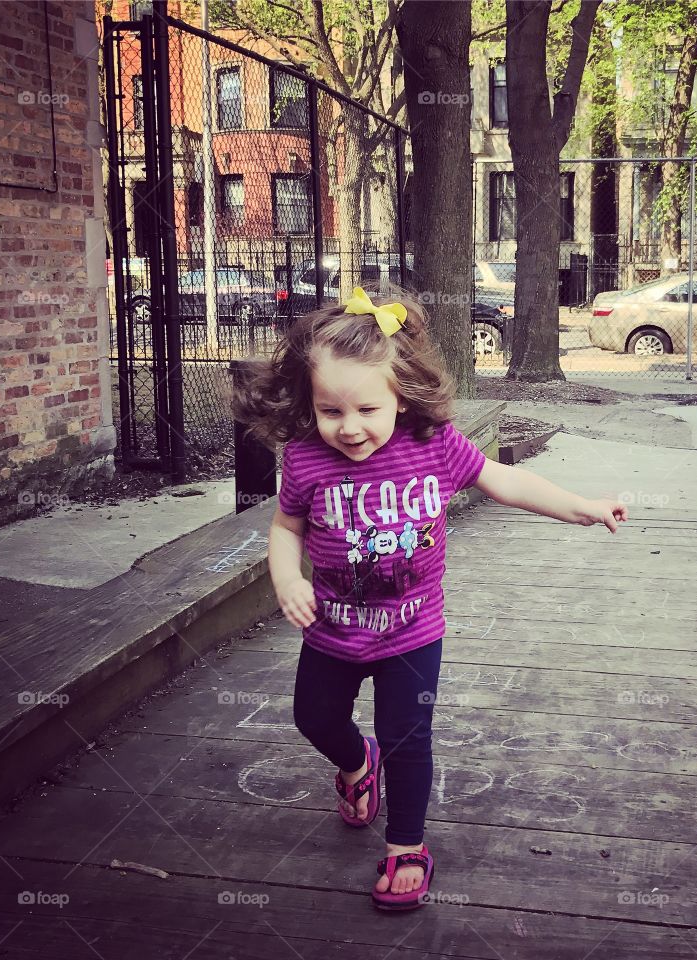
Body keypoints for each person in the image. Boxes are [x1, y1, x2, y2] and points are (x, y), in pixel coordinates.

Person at [233, 285, 628, 912]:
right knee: (313, 718)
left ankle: (406, 845)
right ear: (312, 405)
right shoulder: (307, 461)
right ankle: (356, 762)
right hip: (332, 631)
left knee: (408, 735)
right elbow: (286, 530)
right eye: (332, 411)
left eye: (367, 408)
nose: (351, 427)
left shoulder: (433, 446)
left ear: (400, 395)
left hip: (411, 632)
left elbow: (504, 478)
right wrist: (288, 579)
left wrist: (577, 506)